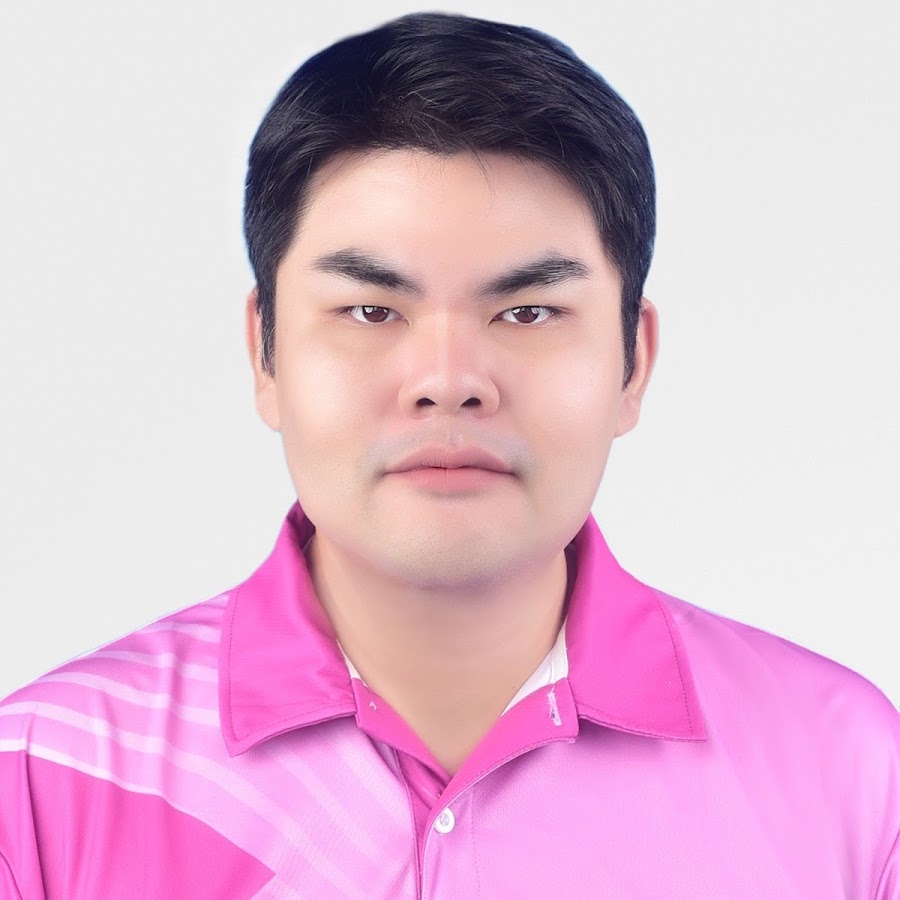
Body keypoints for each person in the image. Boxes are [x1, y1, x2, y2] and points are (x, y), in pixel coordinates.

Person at [1, 10, 897, 898]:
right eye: (370, 311)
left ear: (634, 362)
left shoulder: (847, 770)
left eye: (528, 312)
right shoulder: (45, 777)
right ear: (264, 353)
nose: (448, 381)